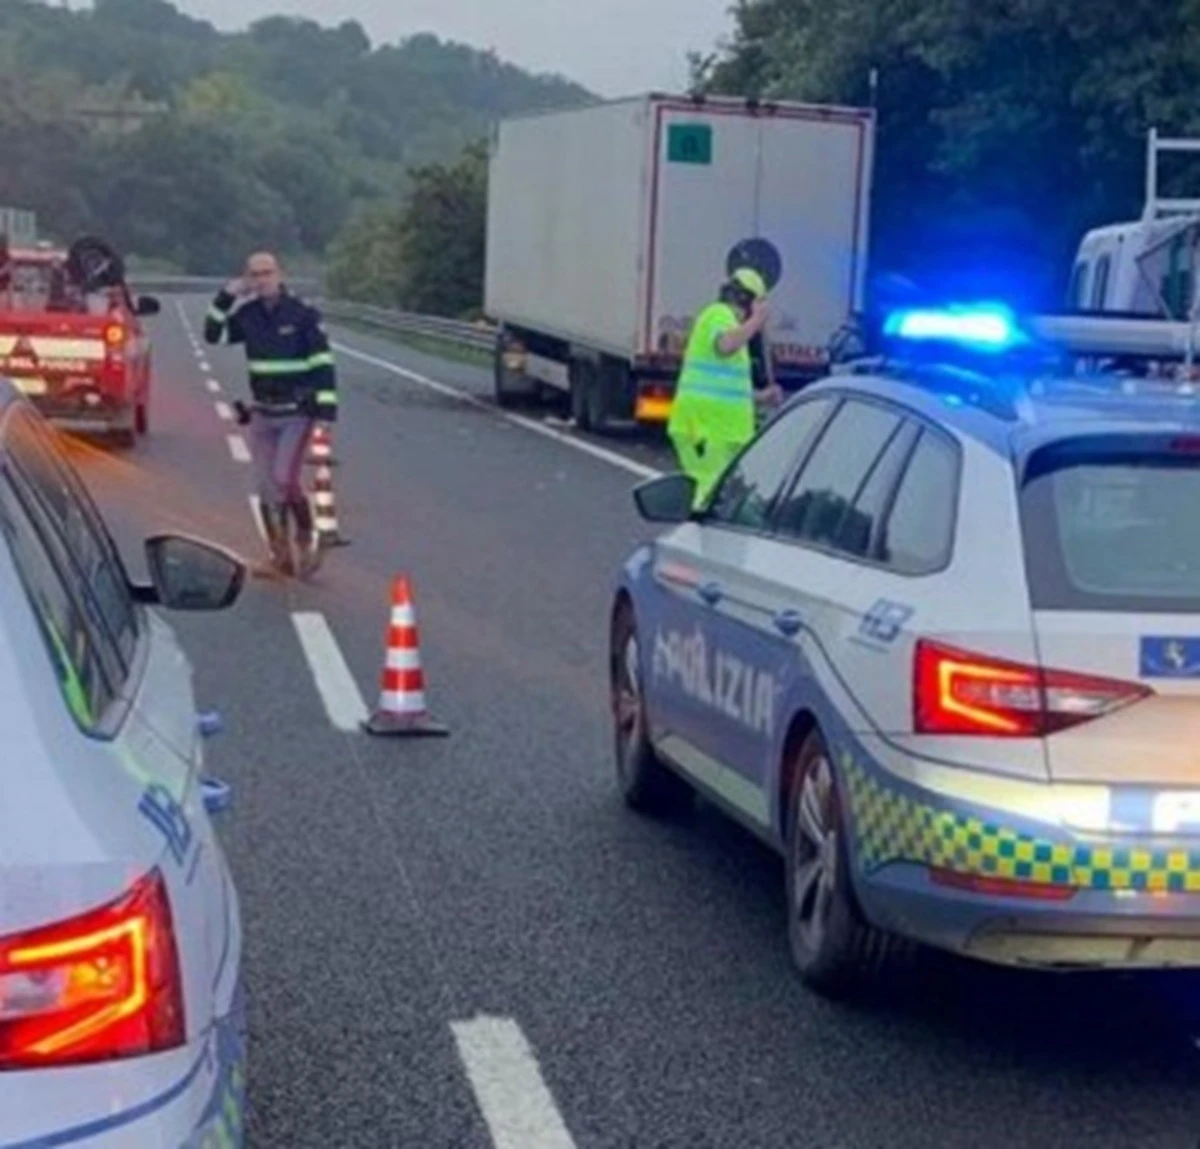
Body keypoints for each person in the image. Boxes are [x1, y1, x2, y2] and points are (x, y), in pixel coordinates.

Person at [203, 252, 338, 579]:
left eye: (266, 273)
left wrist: (326, 412)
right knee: (265, 487)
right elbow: (213, 334)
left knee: (283, 478)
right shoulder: (248, 315)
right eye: (254, 275)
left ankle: (305, 534)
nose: (261, 280)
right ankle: (280, 556)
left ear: (280, 274)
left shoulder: (302, 315)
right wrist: (226, 296)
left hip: (297, 413)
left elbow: (322, 363)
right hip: (263, 412)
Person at [667, 266, 782, 508]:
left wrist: (762, 396)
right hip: (707, 430)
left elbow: (728, 388)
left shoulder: (730, 324)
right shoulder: (718, 314)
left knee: (720, 496)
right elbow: (724, 345)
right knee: (708, 494)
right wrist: (756, 322)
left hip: (718, 431)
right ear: (748, 301)